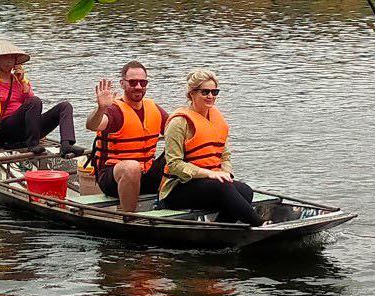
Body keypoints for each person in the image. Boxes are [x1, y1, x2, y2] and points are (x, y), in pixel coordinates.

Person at [159, 68, 262, 226]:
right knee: (222, 188)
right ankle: (260, 224)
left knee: (245, 191)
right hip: (178, 189)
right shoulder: (178, 123)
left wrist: (225, 173)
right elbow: (174, 165)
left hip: (211, 184)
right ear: (192, 94)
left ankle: (220, 231)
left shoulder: (216, 120)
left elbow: (225, 155)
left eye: (214, 92)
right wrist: (208, 174)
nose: (210, 96)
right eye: (205, 92)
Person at [0, 39, 78, 156]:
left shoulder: (22, 80)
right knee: (34, 101)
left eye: (12, 58)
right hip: (5, 129)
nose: (9, 61)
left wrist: (21, 81)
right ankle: (33, 144)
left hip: (27, 128)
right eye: (5, 57)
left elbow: (33, 103)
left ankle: (66, 145)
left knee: (65, 106)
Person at [86, 61, 167, 213]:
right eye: (133, 82)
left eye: (142, 82)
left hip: (147, 174)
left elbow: (177, 131)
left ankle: (171, 204)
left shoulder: (153, 108)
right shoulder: (114, 110)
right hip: (114, 177)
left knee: (179, 151)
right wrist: (100, 108)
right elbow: (92, 125)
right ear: (123, 84)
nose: (138, 86)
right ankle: (128, 217)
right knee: (132, 167)